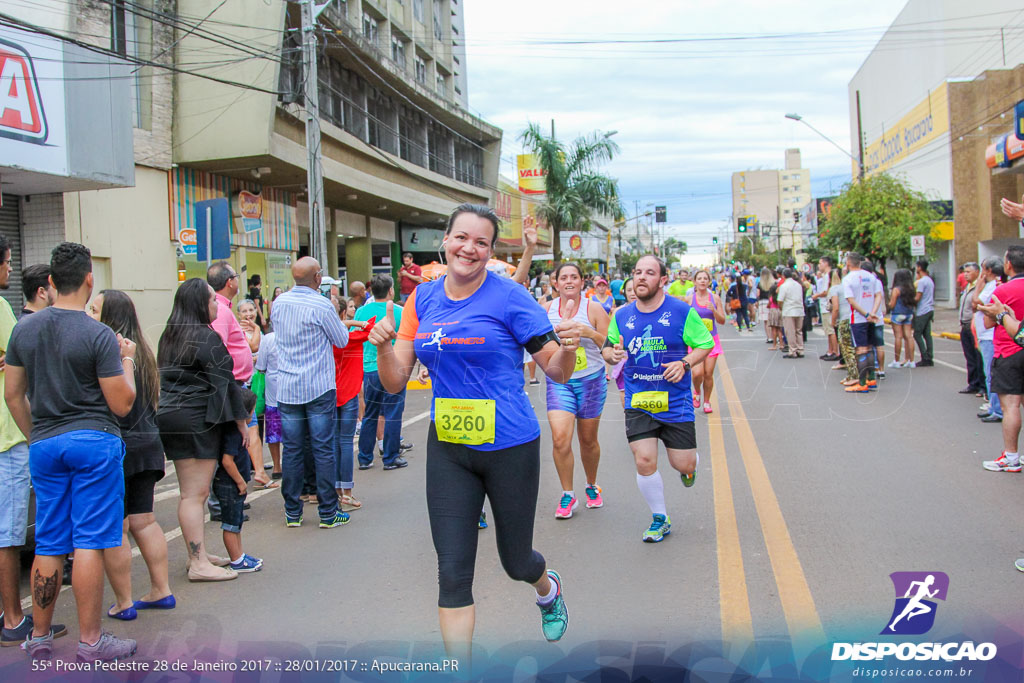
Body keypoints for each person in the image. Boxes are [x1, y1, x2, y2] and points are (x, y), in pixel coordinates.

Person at [368, 203, 577, 652]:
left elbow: (556, 370)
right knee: (452, 574)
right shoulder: (420, 299)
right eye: (462, 237)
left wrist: (570, 351)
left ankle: (548, 589)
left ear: (489, 251)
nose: (470, 248)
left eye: (481, 242)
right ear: (446, 240)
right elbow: (395, 380)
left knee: (516, 561)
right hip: (449, 448)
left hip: (510, 447)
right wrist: (384, 348)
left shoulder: (510, 297)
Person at [5, 242, 137, 661]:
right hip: (93, 442)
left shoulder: (23, 330)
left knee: (48, 540)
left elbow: (13, 394)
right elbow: (121, 404)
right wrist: (128, 362)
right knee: (89, 542)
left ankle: (39, 636)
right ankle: (91, 641)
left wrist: (36, 434)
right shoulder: (98, 335)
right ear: (88, 279)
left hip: (44, 443)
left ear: (49, 282)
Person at [603, 255, 714, 543]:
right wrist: (611, 355)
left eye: (649, 273)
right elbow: (607, 347)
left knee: (683, 464)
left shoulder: (681, 311)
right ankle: (660, 518)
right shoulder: (621, 315)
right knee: (644, 460)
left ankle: (690, 466)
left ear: (663, 280)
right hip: (639, 400)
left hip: (675, 401)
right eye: (637, 272)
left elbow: (705, 343)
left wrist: (686, 363)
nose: (641, 277)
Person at [155, 278, 247, 582]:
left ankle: (200, 555)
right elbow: (225, 382)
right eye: (211, 301)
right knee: (194, 494)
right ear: (199, 304)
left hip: (172, 418)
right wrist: (241, 422)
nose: (215, 306)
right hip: (197, 421)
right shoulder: (206, 337)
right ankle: (197, 562)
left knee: (190, 492)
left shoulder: (170, 336)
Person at [89, 291, 172, 622]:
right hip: (149, 443)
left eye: (94, 309)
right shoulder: (142, 350)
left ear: (110, 317)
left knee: (117, 527)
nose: (88, 314)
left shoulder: (111, 352)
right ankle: (161, 589)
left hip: (121, 446)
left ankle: (124, 602)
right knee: (145, 520)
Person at [0, 239, 55, 647]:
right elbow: (16, 376)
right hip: (7, 438)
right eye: (6, 263)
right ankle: (14, 618)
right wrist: (34, 432)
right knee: (9, 534)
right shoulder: (4, 311)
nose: (8, 272)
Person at [271, 257, 350, 528]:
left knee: (291, 450)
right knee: (323, 448)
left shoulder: (278, 303)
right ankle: (328, 512)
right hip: (318, 386)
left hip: (288, 387)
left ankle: (293, 511)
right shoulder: (322, 305)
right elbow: (341, 339)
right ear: (318, 277)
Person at [541, 263, 610, 518]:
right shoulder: (545, 310)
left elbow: (610, 346)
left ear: (582, 282)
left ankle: (592, 485)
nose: (569, 281)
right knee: (560, 438)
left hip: (591, 381)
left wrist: (588, 332)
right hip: (560, 382)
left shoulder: (593, 309)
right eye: (563, 277)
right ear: (555, 283)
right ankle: (567, 494)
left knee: (588, 440)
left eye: (574, 277)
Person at [206, 262, 269, 502]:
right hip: (231, 388)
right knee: (232, 446)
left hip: (239, 388)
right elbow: (217, 349)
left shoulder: (223, 308)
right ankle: (224, 501)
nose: (237, 279)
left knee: (245, 438)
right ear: (228, 282)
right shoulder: (220, 311)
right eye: (235, 276)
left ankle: (252, 479)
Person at [354, 275, 408, 471]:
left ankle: (364, 458)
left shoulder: (361, 312)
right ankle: (390, 457)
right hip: (393, 368)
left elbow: (355, 337)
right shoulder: (399, 312)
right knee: (393, 413)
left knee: (370, 413)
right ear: (391, 291)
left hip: (369, 369)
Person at [214, 388, 263, 574]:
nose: (254, 414)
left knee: (236, 522)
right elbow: (227, 461)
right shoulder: (233, 433)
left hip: (232, 483)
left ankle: (240, 555)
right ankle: (236, 559)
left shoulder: (236, 430)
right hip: (229, 483)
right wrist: (240, 482)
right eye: (252, 411)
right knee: (231, 523)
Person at [332, 297, 372, 511]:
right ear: (342, 314)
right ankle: (346, 492)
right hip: (348, 396)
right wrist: (354, 322)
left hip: (328, 395)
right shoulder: (353, 338)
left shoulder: (325, 339)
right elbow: (371, 328)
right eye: (349, 309)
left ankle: (334, 491)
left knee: (330, 444)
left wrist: (342, 322)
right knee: (345, 443)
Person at [686, 270, 726, 414]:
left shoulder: (714, 298)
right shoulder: (690, 299)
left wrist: (713, 311)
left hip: (711, 341)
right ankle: (697, 392)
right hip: (695, 341)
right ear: (695, 282)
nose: (702, 281)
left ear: (709, 281)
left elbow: (722, 321)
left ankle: (707, 401)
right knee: (697, 373)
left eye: (705, 279)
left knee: (708, 373)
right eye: (699, 278)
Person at [843, 253, 883, 393]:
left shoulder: (848, 279)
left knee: (860, 350)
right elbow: (878, 295)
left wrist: (866, 314)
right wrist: (873, 312)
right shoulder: (871, 277)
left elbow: (851, 300)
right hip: (872, 317)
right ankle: (871, 379)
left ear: (848, 264)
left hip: (859, 319)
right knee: (870, 347)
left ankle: (862, 383)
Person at [975, 257, 1005, 424]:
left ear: (989, 270)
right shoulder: (990, 285)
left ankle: (997, 409)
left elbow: (977, 303)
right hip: (984, 335)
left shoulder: (993, 286)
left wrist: (978, 288)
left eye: (983, 269)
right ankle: (994, 407)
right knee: (989, 373)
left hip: (989, 336)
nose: (982, 273)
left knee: (991, 374)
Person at [255, 330, 282, 480]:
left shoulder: (268, 338)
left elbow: (261, 366)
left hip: (273, 391)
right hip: (294, 391)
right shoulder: (296, 333)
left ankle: (277, 466)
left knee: (274, 431)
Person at [957, 262, 986, 395]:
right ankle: (972, 383)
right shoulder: (967, 287)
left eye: (968, 272)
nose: (966, 274)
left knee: (978, 357)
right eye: (965, 272)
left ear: (977, 272)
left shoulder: (980, 288)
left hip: (973, 325)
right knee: (969, 357)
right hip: (964, 325)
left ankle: (982, 385)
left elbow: (976, 305)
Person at [610, 278, 636, 406]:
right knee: (624, 389)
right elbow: (610, 337)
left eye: (635, 289)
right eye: (629, 290)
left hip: (644, 359)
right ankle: (628, 415)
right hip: (624, 359)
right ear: (624, 292)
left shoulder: (651, 311)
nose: (632, 293)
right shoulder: (618, 312)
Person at [861, 261, 886, 378]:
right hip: (878, 317)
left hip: (868, 317)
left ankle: (869, 372)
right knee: (879, 344)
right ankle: (881, 370)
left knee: (869, 346)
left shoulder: (864, 282)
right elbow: (881, 297)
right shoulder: (878, 282)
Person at [887, 269, 917, 368]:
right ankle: (911, 361)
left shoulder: (896, 289)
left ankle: (896, 361)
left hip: (897, 314)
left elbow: (892, 304)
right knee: (909, 337)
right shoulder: (911, 289)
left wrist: (888, 305)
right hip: (909, 314)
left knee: (898, 337)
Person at [777, 268, 805, 358]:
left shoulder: (784, 286)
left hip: (789, 310)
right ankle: (800, 349)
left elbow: (780, 300)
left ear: (783, 276)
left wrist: (781, 307)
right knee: (799, 331)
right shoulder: (798, 285)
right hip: (799, 309)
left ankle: (792, 350)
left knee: (790, 331)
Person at [912, 259, 935, 367]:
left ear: (919, 268)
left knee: (917, 334)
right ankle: (929, 356)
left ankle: (925, 357)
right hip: (930, 309)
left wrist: (910, 301)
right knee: (927, 335)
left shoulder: (922, 282)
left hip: (922, 310)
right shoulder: (929, 280)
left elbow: (918, 297)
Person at [819, 269, 841, 362]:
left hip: (829, 311)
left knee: (831, 331)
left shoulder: (834, 288)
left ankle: (835, 352)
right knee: (829, 331)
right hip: (828, 310)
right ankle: (830, 351)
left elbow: (835, 306)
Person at [757, 268, 774, 343]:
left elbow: (758, 294)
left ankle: (769, 337)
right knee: (772, 320)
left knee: (766, 321)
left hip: (763, 302)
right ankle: (774, 337)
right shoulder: (773, 283)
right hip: (771, 302)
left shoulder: (760, 284)